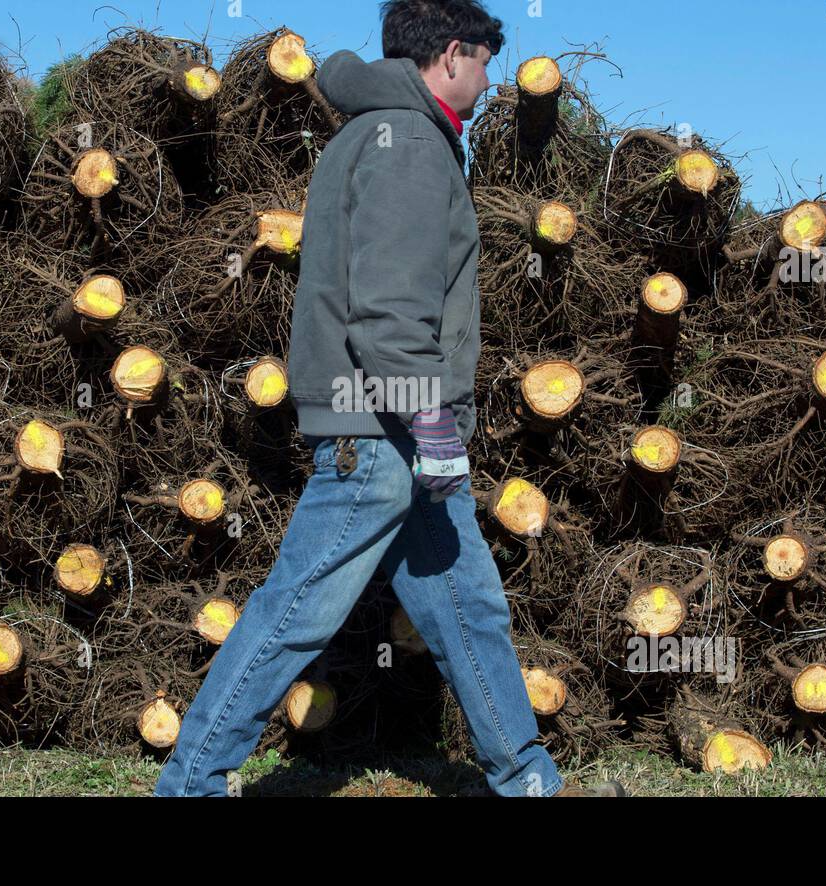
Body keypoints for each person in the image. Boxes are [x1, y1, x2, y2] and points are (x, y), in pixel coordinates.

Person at [153, 0, 624, 798]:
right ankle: (191, 783)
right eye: (483, 59)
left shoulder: (383, 131)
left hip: (397, 432)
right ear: (450, 54)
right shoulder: (406, 142)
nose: (488, 78)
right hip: (380, 434)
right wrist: (434, 424)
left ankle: (527, 780)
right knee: (297, 608)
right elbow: (390, 311)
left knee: (469, 609)